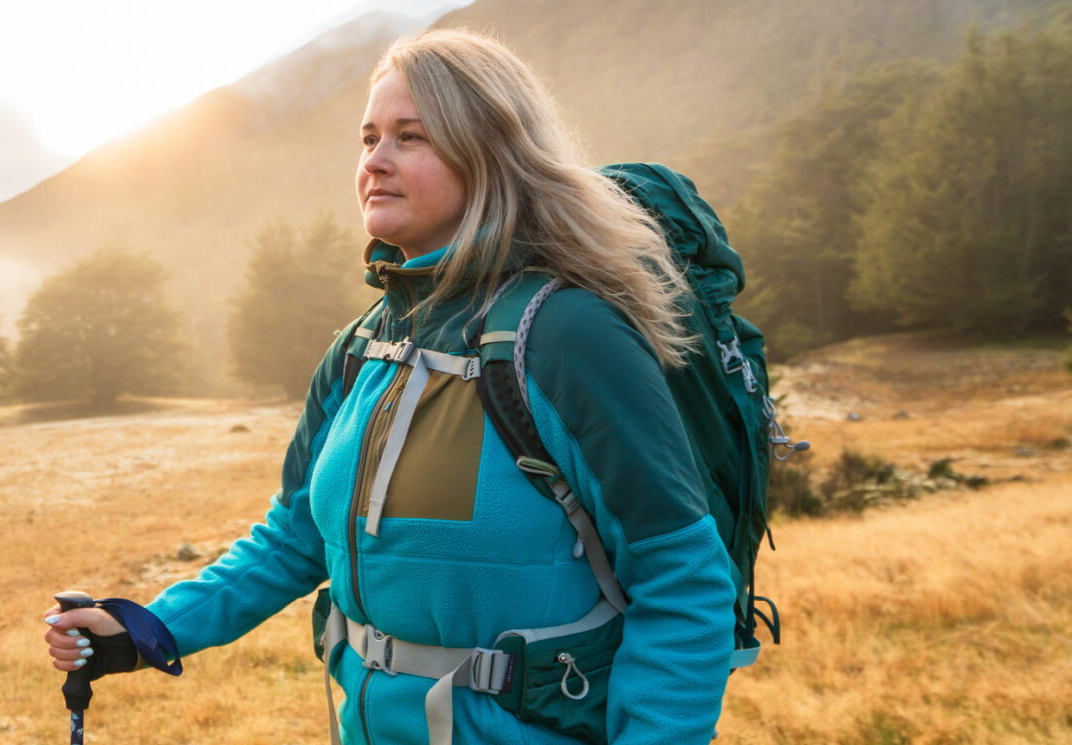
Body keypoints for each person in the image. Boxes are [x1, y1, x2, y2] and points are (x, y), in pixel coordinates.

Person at [43, 28, 735, 745]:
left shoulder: (566, 335)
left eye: (411, 136)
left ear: (489, 154)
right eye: (368, 137)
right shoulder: (362, 347)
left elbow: (682, 580)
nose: (376, 159)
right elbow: (293, 539)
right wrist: (149, 627)